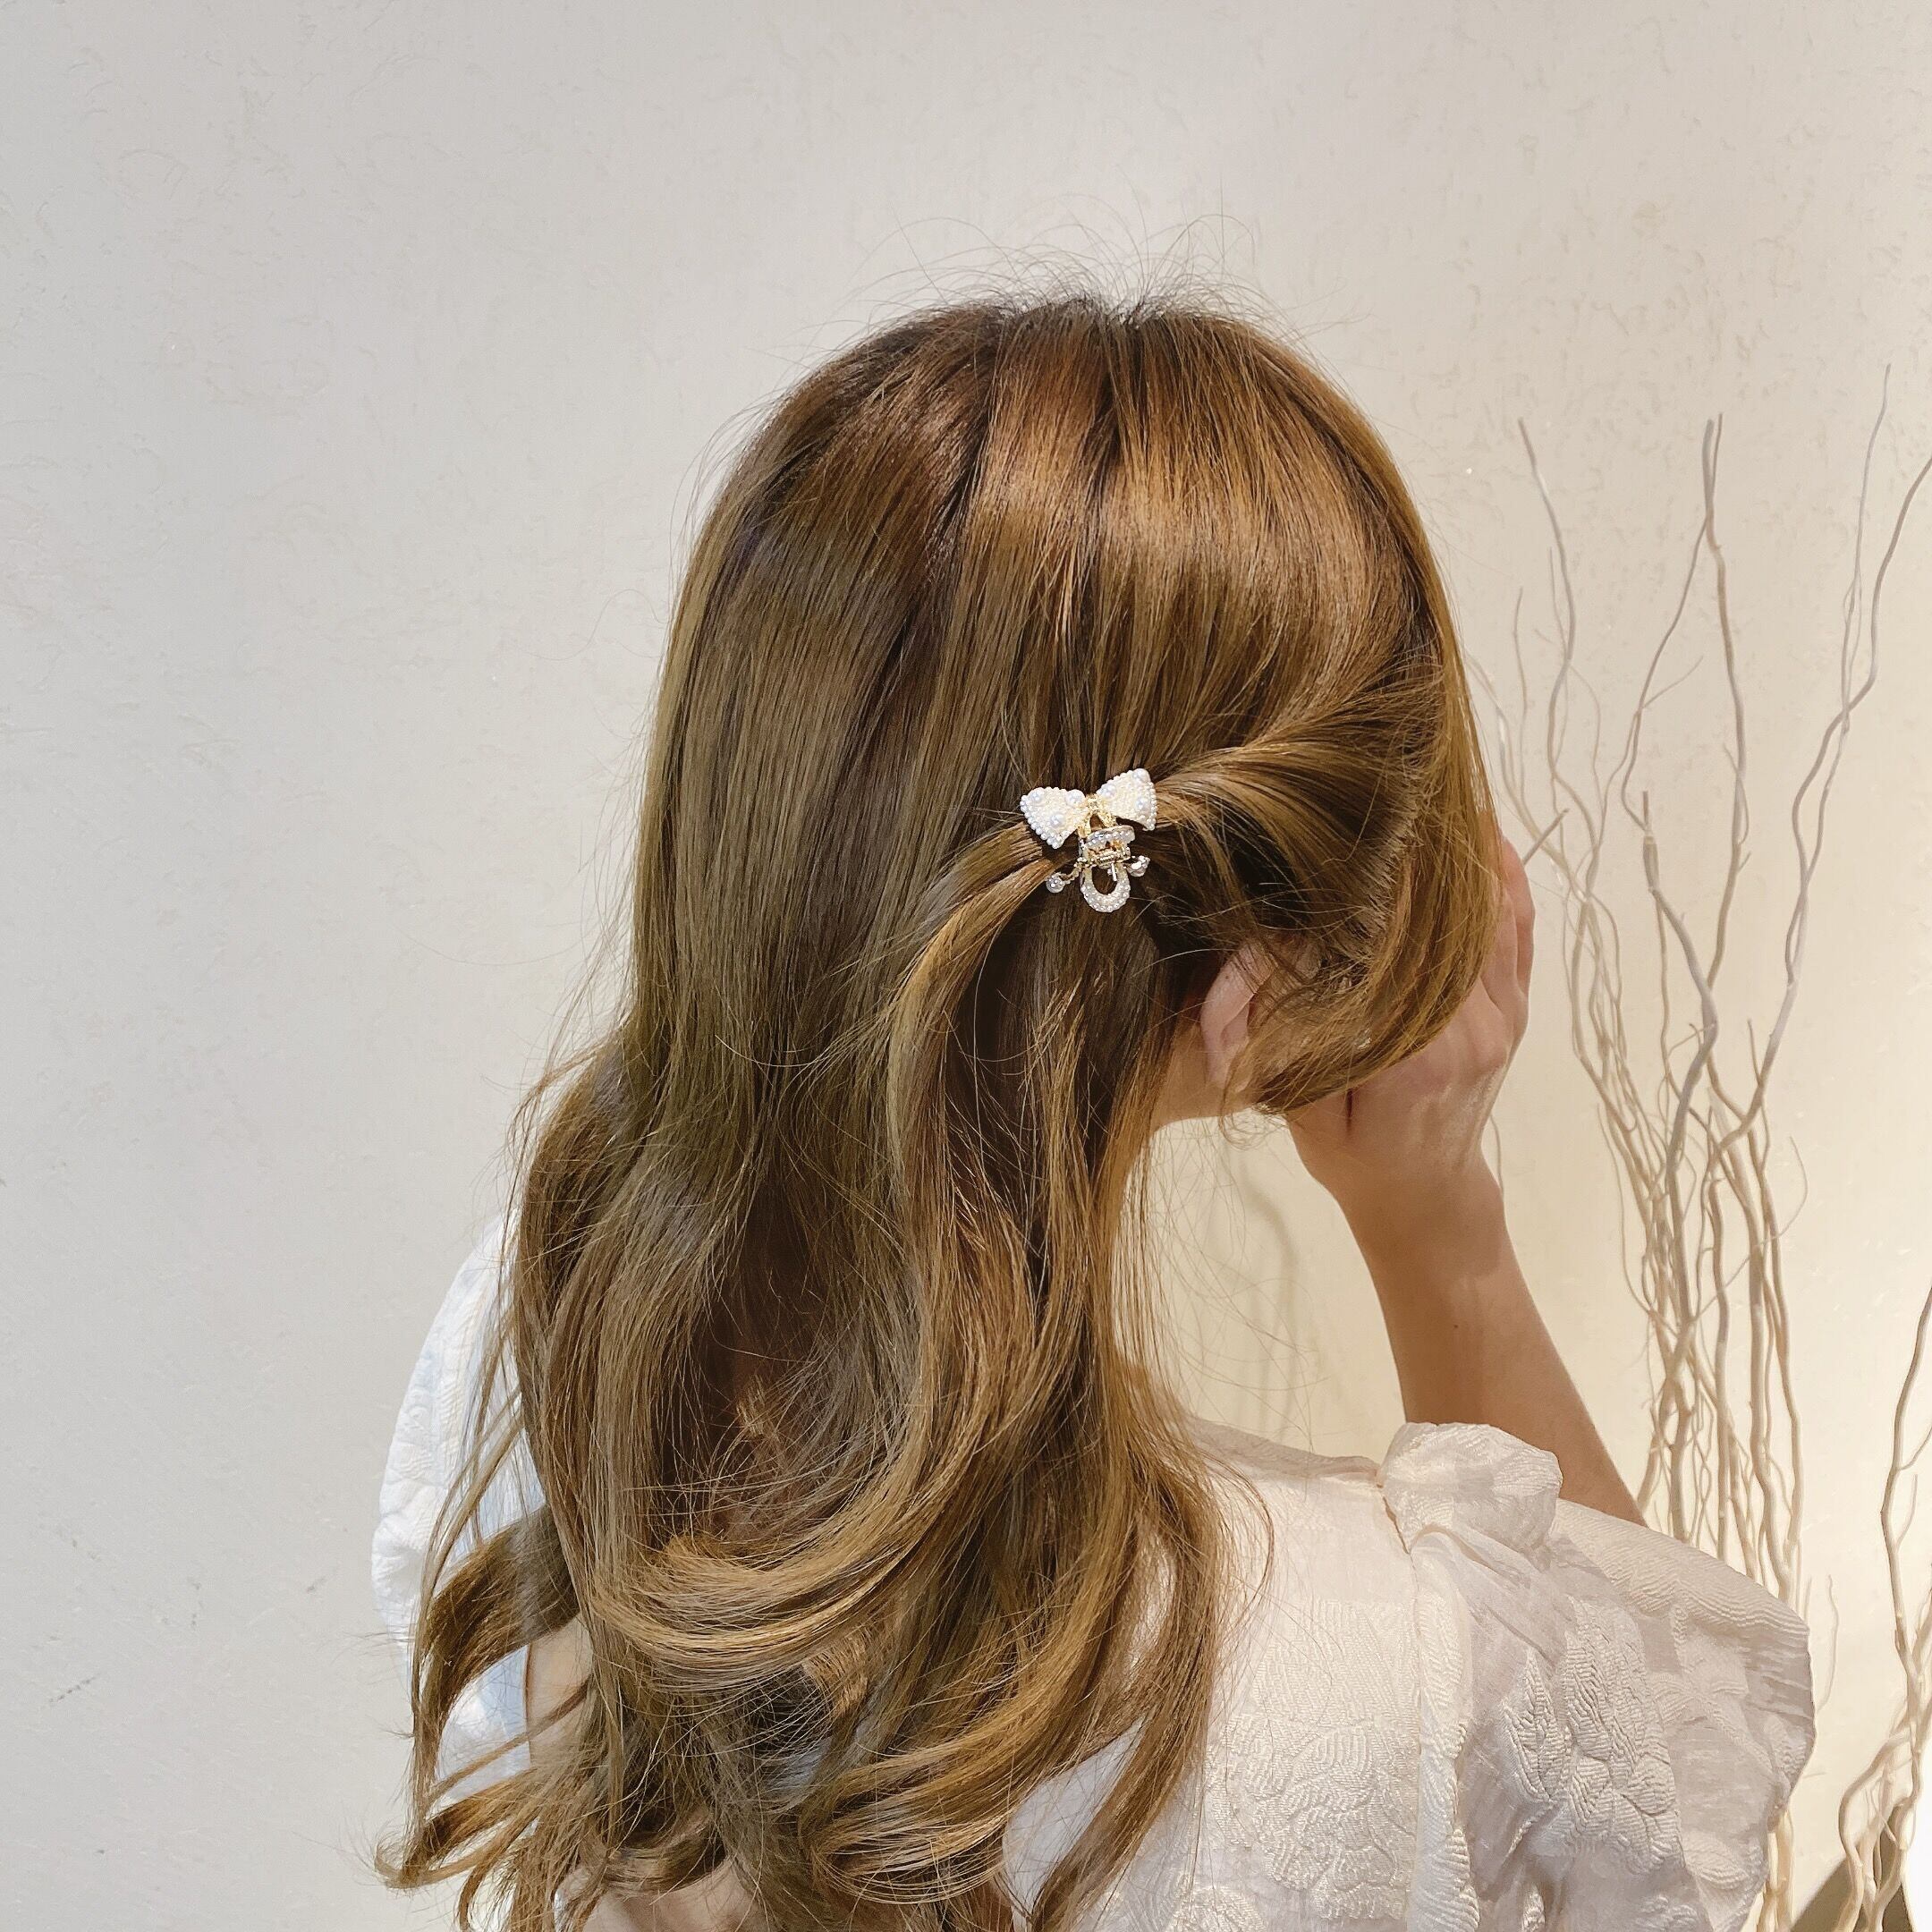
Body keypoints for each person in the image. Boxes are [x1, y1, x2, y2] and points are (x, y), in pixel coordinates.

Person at [373, 294, 1815, 1932]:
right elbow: (1671, 1827)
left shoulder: (548, 1370)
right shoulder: (1389, 1667)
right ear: (1255, 978)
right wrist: (1441, 1234)